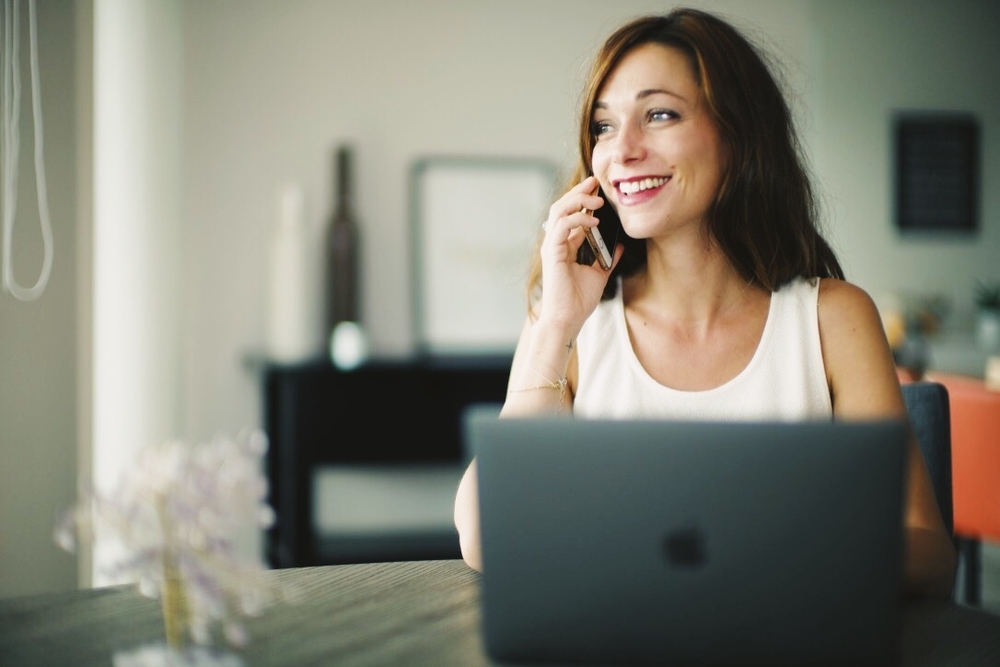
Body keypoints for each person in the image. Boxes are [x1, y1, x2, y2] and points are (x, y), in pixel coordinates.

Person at [453, 7, 956, 600]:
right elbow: (488, 539)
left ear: (738, 135)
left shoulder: (833, 318)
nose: (622, 151)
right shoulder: (570, 326)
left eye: (659, 114)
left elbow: (926, 550)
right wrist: (557, 323)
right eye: (604, 126)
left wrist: (764, 551)